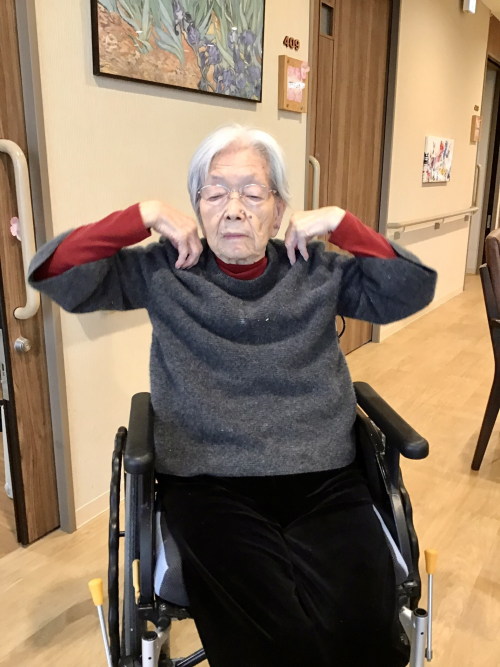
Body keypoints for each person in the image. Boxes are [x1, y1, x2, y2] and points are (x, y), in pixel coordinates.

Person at [29, 125, 436, 667]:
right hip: (209, 483)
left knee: (365, 634)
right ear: (197, 208)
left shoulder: (314, 268)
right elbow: (55, 271)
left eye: (253, 192)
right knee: (270, 643)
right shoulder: (164, 270)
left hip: (323, 475)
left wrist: (342, 223)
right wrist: (142, 215)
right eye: (215, 192)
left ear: (280, 208)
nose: (234, 209)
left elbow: (413, 287)